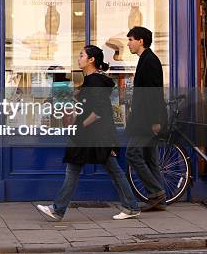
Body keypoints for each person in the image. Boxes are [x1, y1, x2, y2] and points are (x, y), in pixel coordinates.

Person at [36, 45, 141, 221]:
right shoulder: (93, 80)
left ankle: (58, 209)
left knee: (108, 170)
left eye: (81, 55)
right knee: (81, 170)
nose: (79, 58)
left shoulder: (94, 81)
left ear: (91, 60)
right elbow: (91, 105)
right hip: (95, 135)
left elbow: (99, 110)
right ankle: (58, 209)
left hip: (94, 135)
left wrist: (82, 124)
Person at [125, 26, 167, 211]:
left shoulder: (149, 60)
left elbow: (154, 92)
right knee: (150, 158)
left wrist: (155, 120)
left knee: (132, 153)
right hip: (146, 118)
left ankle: (156, 192)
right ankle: (159, 200)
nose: (128, 44)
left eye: (131, 40)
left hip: (147, 120)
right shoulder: (146, 59)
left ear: (141, 41)